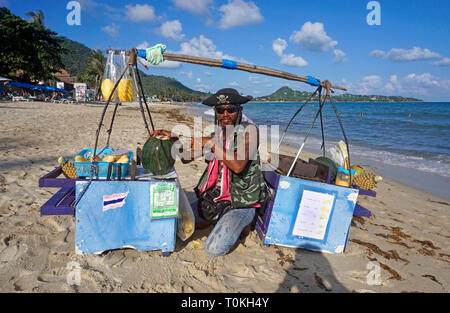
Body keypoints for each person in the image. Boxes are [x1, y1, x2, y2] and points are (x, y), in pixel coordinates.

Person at [150, 88, 267, 258]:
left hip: (240, 202)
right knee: (178, 226)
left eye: (231, 109)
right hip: (213, 198)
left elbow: (238, 166)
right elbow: (185, 157)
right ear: (216, 113)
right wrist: (174, 138)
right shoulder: (217, 135)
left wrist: (211, 143)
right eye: (220, 110)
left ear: (240, 110)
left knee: (213, 249)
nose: (225, 114)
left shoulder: (250, 131)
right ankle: (213, 219)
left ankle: (243, 222)